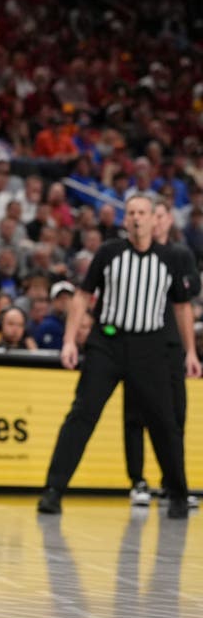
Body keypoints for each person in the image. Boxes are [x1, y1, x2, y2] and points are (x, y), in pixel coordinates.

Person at [38, 195, 200, 519]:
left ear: (155, 219)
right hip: (107, 343)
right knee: (82, 414)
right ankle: (53, 491)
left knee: (164, 422)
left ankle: (178, 493)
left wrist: (191, 352)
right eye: (131, 213)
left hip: (150, 347)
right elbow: (83, 296)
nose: (137, 218)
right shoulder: (110, 252)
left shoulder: (169, 258)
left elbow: (182, 308)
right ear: (124, 220)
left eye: (142, 212)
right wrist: (70, 341)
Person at [122, 200, 200, 509]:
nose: (152, 220)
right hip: (137, 344)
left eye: (158, 215)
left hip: (169, 346)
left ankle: (174, 483)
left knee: (175, 416)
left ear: (166, 220)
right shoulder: (132, 254)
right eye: (143, 214)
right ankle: (137, 480)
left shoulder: (179, 255)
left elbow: (187, 296)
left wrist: (190, 350)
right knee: (135, 414)